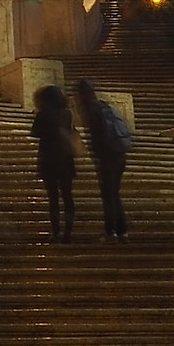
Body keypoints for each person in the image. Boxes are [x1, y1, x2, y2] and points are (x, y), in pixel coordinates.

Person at [73, 79, 132, 241]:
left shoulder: (91, 109)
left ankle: (111, 230)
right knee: (114, 193)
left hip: (108, 156)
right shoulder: (105, 105)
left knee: (108, 194)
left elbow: (97, 135)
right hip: (120, 153)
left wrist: (96, 154)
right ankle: (122, 231)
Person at [32, 84, 79, 241]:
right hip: (65, 159)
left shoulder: (43, 114)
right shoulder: (67, 114)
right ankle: (68, 232)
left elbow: (35, 133)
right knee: (67, 196)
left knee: (53, 198)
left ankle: (56, 232)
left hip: (48, 160)